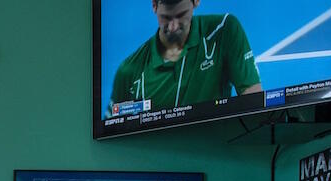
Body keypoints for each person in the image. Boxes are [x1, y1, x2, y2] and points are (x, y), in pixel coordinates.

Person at [110, 0, 261, 114]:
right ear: (154, 5)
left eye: (181, 15)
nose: (173, 27)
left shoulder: (224, 30)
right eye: (166, 18)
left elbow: (254, 99)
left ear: (196, 1)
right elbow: (112, 134)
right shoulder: (128, 71)